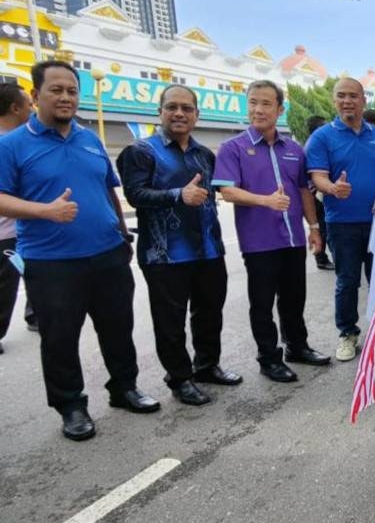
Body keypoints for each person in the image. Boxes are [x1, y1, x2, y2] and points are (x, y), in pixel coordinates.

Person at [0, 60, 159, 441]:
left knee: (118, 327)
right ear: (35, 96)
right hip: (51, 261)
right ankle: (71, 406)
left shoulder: (89, 139)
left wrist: (122, 236)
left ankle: (124, 388)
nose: (66, 97)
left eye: (72, 90)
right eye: (56, 90)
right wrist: (45, 211)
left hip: (107, 254)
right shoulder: (12, 145)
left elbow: (108, 188)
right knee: (60, 338)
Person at [116, 85, 241, 407]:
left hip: (209, 249)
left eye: (187, 108)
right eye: (172, 107)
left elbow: (216, 194)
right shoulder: (141, 151)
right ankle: (180, 378)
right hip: (164, 254)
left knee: (210, 313)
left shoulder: (204, 154)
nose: (179, 113)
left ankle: (207, 366)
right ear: (160, 112)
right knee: (170, 322)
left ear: (197, 115)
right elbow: (135, 195)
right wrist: (177, 195)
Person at [215, 80, 331, 382]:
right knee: (263, 304)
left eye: (266, 103)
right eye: (253, 102)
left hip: (292, 238)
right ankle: (269, 358)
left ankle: (297, 346)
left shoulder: (293, 149)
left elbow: (305, 192)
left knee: (294, 298)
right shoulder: (233, 148)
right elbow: (227, 191)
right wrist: (265, 201)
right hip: (259, 243)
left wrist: (314, 227)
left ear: (280, 109)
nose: (258, 109)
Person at [306, 77, 375, 361]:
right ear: (335, 101)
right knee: (347, 281)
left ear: (363, 100)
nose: (347, 101)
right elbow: (317, 177)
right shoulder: (322, 137)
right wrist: (333, 187)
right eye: (341, 96)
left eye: (353, 96)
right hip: (342, 223)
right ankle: (348, 334)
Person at [0, 83, 32, 354]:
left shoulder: (24, 140)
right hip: (5, 231)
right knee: (4, 285)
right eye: (28, 104)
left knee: (33, 273)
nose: (31, 109)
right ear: (15, 108)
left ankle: (34, 314)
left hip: (22, 230)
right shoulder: (6, 144)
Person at [306, 115, 335, 271]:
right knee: (322, 226)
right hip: (316, 194)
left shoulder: (315, 142)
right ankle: (321, 258)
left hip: (318, 192)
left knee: (324, 225)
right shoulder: (315, 143)